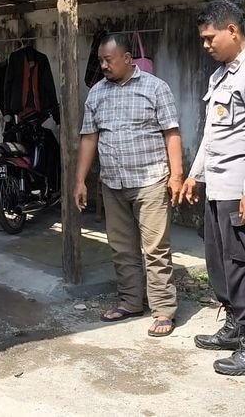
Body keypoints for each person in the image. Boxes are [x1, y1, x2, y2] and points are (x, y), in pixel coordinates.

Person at [180, 0, 245, 376]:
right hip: (218, 188)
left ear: (232, 31)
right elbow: (213, 135)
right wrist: (195, 173)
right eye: (203, 39)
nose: (206, 45)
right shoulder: (221, 75)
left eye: (210, 38)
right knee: (220, 262)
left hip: (242, 190)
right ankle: (236, 324)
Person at [74, 34, 183, 337]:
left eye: (109, 60)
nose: (104, 65)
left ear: (127, 58)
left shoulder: (155, 88)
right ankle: (131, 302)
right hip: (112, 182)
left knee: (155, 249)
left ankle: (163, 309)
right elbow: (89, 137)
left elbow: (171, 133)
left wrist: (176, 176)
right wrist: (80, 180)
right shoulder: (97, 92)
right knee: (121, 248)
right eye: (100, 60)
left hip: (150, 181)